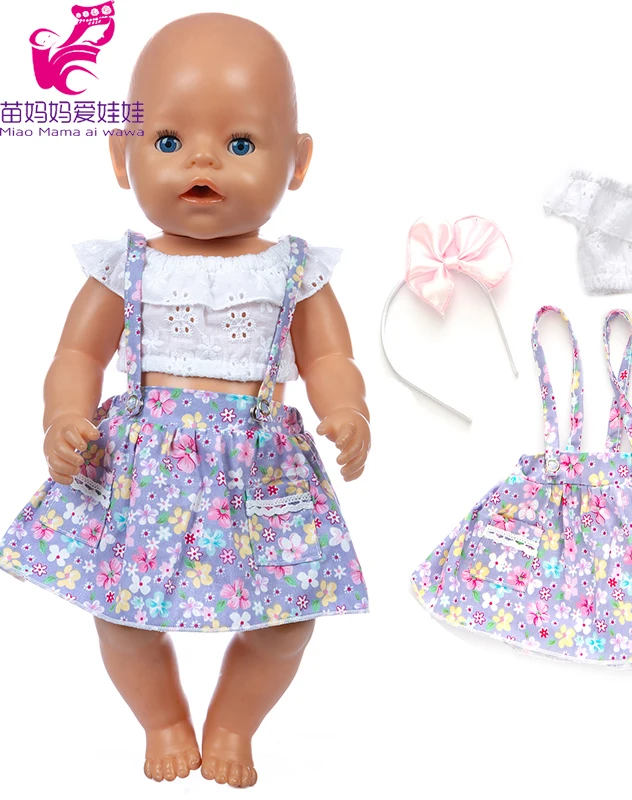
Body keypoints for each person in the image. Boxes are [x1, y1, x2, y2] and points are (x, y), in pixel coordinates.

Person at [0, 12, 370, 788]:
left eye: (241, 143)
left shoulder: (295, 272)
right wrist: (64, 416)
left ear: (298, 162)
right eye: (168, 141)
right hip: (144, 475)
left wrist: (348, 409)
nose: (202, 159)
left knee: (287, 620)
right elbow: (77, 354)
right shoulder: (124, 267)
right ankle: (163, 718)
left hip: (259, 476)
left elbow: (329, 356)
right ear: (122, 156)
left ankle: (233, 722)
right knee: (120, 615)